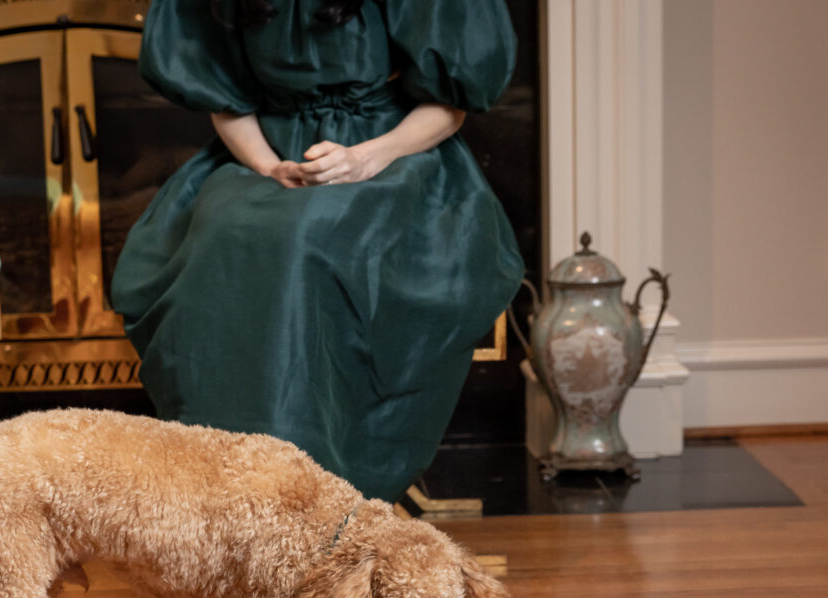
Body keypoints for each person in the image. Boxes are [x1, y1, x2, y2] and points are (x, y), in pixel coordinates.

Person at [111, 0, 524, 503]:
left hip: (391, 157)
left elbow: (450, 107)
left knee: (305, 237)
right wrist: (267, 166)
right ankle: (232, 489)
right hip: (267, 155)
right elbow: (227, 101)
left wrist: (366, 158)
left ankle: (312, 490)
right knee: (225, 234)